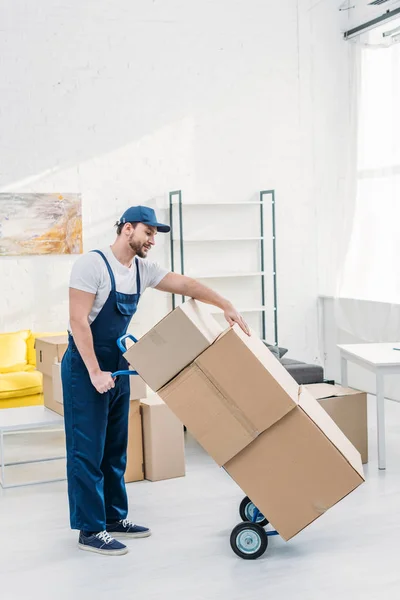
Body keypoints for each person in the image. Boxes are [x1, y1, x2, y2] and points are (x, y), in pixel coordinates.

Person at [61, 205, 250, 556]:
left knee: (115, 446)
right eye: (148, 232)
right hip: (85, 366)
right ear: (127, 229)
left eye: (155, 235)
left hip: (117, 363)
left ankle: (114, 519)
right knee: (86, 450)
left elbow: (186, 284)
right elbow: (78, 321)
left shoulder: (141, 269)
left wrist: (224, 302)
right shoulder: (92, 265)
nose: (152, 240)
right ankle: (90, 529)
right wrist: (94, 372)